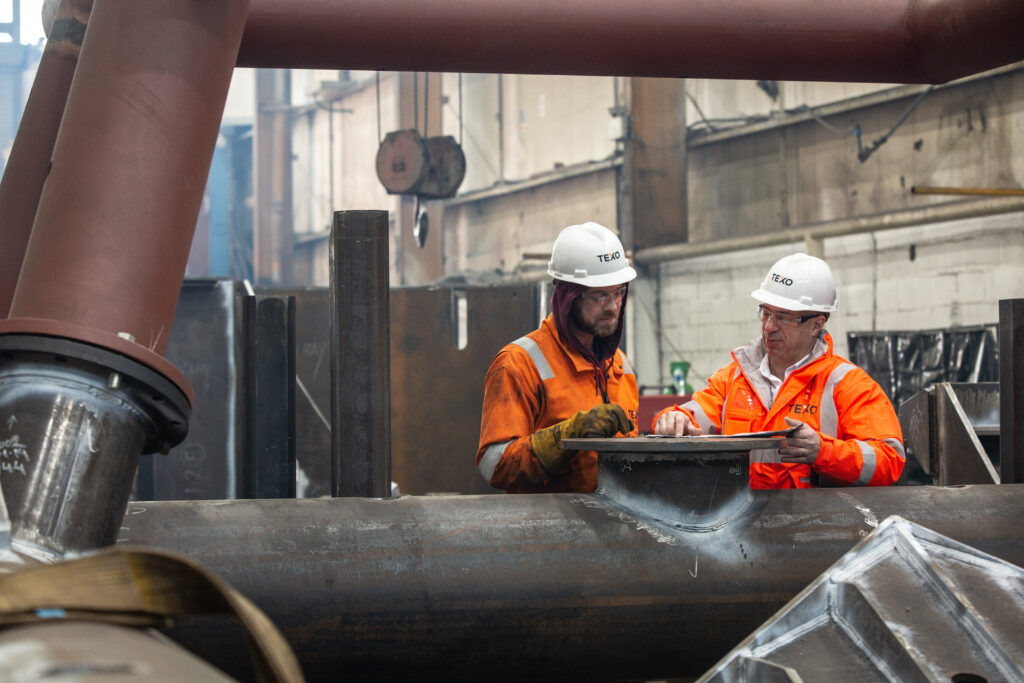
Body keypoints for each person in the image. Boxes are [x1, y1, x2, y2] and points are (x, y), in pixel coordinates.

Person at [653, 253, 905, 489]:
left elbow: (888, 460)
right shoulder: (735, 378)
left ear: (817, 324)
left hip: (816, 528)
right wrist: (672, 418)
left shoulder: (848, 384)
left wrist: (824, 452)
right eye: (766, 313)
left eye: (784, 317)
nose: (769, 327)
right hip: (738, 527)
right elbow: (691, 417)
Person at [476, 222, 639, 493]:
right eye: (599, 296)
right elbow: (494, 466)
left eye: (618, 293)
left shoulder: (620, 365)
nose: (612, 307)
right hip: (548, 531)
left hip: (613, 527)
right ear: (568, 296)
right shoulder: (519, 363)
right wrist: (567, 436)